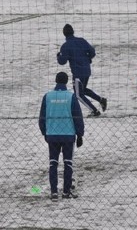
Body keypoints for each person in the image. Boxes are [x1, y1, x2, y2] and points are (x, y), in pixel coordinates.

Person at [38, 71, 84, 201]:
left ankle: (53, 192)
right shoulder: (71, 97)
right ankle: (66, 191)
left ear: (55, 81)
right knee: (68, 163)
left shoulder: (47, 97)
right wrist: (80, 134)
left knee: (53, 163)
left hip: (52, 135)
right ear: (66, 82)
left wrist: (44, 132)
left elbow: (42, 117)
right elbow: (77, 117)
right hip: (68, 135)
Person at [57, 24, 107, 117]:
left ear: (64, 34)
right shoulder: (82, 41)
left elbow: (62, 61)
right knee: (82, 90)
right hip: (87, 70)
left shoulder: (66, 46)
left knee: (78, 94)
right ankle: (101, 100)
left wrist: (59, 56)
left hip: (77, 73)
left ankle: (94, 111)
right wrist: (87, 59)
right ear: (73, 31)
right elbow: (92, 52)